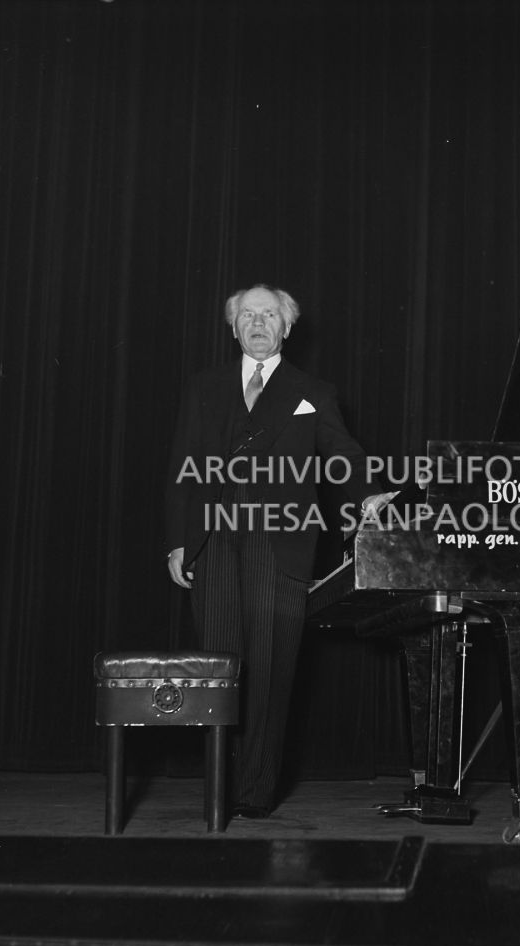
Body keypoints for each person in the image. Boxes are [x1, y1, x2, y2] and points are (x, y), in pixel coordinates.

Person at [165, 284, 391, 818]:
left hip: (281, 538)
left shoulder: (312, 390)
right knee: (218, 667)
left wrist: (368, 493)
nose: (259, 323)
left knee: (269, 667)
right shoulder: (204, 386)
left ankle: (256, 791)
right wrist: (176, 541)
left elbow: (343, 454)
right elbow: (180, 465)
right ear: (234, 327)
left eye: (269, 315)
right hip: (212, 535)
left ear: (287, 328)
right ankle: (220, 787)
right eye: (249, 315)